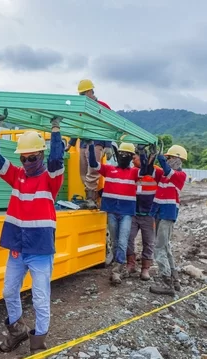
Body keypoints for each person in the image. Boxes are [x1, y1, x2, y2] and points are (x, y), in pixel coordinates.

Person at [0, 110, 64, 359]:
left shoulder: (51, 179)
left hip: (40, 250)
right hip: (18, 248)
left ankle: (38, 347)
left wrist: (55, 130)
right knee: (9, 291)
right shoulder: (17, 175)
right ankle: (17, 330)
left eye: (32, 157)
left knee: (41, 299)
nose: (28, 161)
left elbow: (56, 159)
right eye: (24, 157)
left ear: (41, 155)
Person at [88, 141, 147, 284]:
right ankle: (117, 266)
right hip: (112, 211)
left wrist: (143, 153)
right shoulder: (109, 169)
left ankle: (117, 270)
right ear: (117, 154)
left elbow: (145, 169)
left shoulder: (134, 172)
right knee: (115, 242)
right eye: (121, 153)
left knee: (122, 241)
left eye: (127, 154)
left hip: (126, 212)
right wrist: (90, 146)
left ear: (132, 156)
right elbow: (93, 164)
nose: (123, 156)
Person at [67, 79, 114, 208]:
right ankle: (89, 196)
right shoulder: (81, 108)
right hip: (83, 142)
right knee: (83, 172)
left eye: (82, 94)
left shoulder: (102, 106)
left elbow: (109, 126)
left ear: (89, 92)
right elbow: (77, 125)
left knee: (93, 170)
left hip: (97, 142)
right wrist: (71, 143)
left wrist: (108, 145)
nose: (80, 97)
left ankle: (91, 199)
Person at [148, 145, 187, 296]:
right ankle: (174, 280)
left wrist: (160, 157)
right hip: (159, 212)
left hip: (167, 214)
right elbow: (148, 169)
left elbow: (166, 169)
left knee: (159, 247)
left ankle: (166, 282)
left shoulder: (180, 175)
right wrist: (148, 155)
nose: (168, 160)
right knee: (165, 246)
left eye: (169, 157)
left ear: (177, 159)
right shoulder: (164, 175)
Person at [125, 148, 161, 281]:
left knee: (149, 241)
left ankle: (145, 268)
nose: (133, 159)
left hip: (149, 213)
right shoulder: (133, 171)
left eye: (136, 157)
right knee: (128, 238)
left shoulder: (155, 171)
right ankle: (130, 264)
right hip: (134, 212)